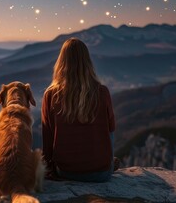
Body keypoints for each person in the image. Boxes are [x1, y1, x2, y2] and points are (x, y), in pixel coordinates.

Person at [41, 37, 118, 183]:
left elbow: (48, 138)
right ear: (88, 62)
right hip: (101, 173)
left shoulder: (50, 95)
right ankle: (108, 161)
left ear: (61, 62)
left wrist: (49, 169)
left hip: (65, 171)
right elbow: (111, 130)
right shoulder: (102, 92)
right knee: (109, 131)